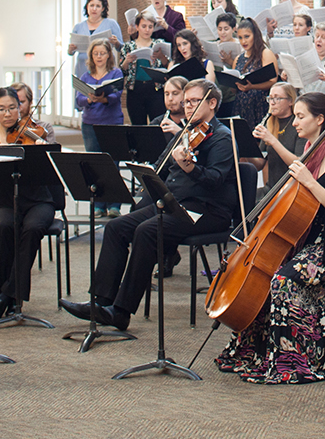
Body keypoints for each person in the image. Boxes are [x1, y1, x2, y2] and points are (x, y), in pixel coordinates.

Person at [60, 79, 237, 330]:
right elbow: (163, 167)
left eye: (193, 101)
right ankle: (100, 301)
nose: (187, 107)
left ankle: (120, 311)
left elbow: (215, 181)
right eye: (185, 102)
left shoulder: (221, 137)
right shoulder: (186, 132)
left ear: (212, 103)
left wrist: (191, 167)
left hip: (206, 210)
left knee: (147, 231)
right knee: (116, 227)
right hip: (175, 203)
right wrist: (150, 173)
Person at [218, 91, 325, 384]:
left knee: (282, 279)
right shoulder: (311, 148)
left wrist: (307, 181)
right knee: (263, 274)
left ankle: (295, 359)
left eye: (300, 116)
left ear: (320, 119)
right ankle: (259, 353)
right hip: (309, 238)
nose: (294, 122)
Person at [0, 86, 61, 320]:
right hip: (8, 202)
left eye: (13, 108)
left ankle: (6, 295)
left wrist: (43, 154)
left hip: (40, 201)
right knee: (4, 228)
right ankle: (9, 293)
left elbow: (53, 170)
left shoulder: (36, 133)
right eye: (2, 109)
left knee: (33, 228)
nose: (8, 114)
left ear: (21, 108)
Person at [75, 38, 124, 154]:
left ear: (108, 55)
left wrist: (104, 99)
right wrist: (89, 99)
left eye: (102, 53)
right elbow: (79, 99)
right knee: (94, 161)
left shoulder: (116, 73)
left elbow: (117, 95)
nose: (99, 57)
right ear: (91, 56)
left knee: (113, 159)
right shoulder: (85, 77)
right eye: (95, 54)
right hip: (90, 124)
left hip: (112, 122)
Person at [122, 10, 168, 125]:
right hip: (135, 89)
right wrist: (127, 61)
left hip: (155, 89)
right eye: (144, 26)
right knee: (138, 126)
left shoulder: (158, 44)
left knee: (157, 126)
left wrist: (161, 57)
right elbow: (122, 70)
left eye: (150, 27)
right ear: (137, 27)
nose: (147, 30)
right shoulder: (129, 46)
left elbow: (167, 65)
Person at [232, 19, 278, 127]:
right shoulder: (238, 58)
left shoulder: (265, 53)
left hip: (260, 105)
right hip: (241, 106)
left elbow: (273, 81)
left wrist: (252, 86)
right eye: (240, 37)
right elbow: (233, 89)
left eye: (247, 36)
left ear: (255, 35)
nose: (244, 41)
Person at [67, 0, 121, 76]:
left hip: (105, 67)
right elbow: (71, 52)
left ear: (103, 9)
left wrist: (116, 42)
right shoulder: (78, 27)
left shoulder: (111, 24)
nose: (94, 9)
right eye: (91, 5)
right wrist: (70, 49)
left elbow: (121, 48)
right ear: (87, 7)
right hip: (83, 67)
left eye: (98, 6)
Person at [259, 82, 301, 181]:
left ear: (290, 101)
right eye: (270, 98)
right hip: (272, 187)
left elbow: (298, 163)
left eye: (277, 98)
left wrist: (272, 140)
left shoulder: (298, 125)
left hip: (292, 186)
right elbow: (260, 164)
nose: (272, 103)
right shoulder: (269, 123)